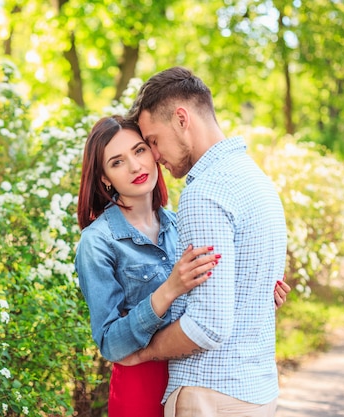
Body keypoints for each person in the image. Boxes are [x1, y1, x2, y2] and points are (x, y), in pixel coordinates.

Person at [74, 115, 290, 417]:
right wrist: (169, 290)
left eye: (139, 150)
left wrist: (258, 294)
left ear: (153, 151)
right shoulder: (97, 242)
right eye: (117, 162)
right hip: (141, 382)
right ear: (105, 179)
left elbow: (208, 305)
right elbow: (110, 343)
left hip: (194, 371)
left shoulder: (181, 224)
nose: (135, 166)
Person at [121, 66, 288, 417]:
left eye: (152, 140)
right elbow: (252, 290)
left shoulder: (205, 193)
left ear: (182, 119)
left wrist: (145, 351)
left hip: (210, 396)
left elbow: (208, 326)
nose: (153, 155)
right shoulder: (256, 179)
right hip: (257, 391)